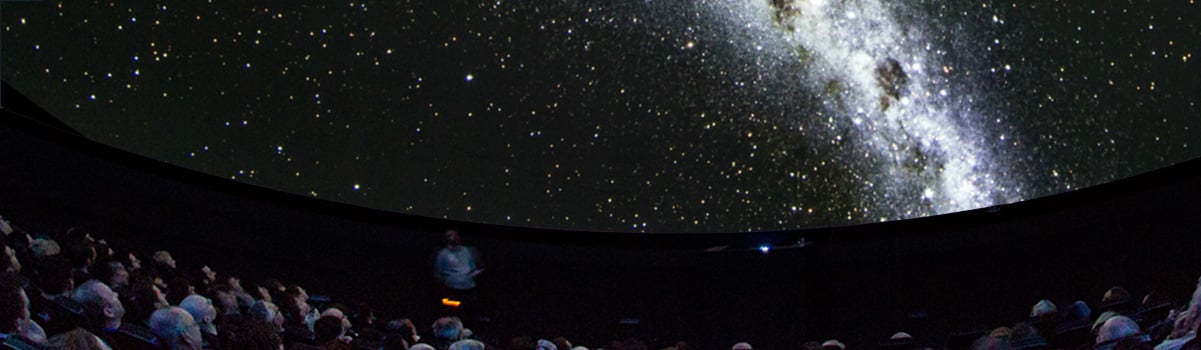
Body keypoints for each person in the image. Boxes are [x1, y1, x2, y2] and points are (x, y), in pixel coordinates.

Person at [432, 230, 484, 318]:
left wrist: (474, 274)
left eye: (455, 236)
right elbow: (438, 272)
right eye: (450, 236)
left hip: (469, 287)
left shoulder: (467, 250)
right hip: (452, 289)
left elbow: (473, 267)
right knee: (453, 313)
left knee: (471, 311)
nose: (454, 238)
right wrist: (447, 281)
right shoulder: (442, 254)